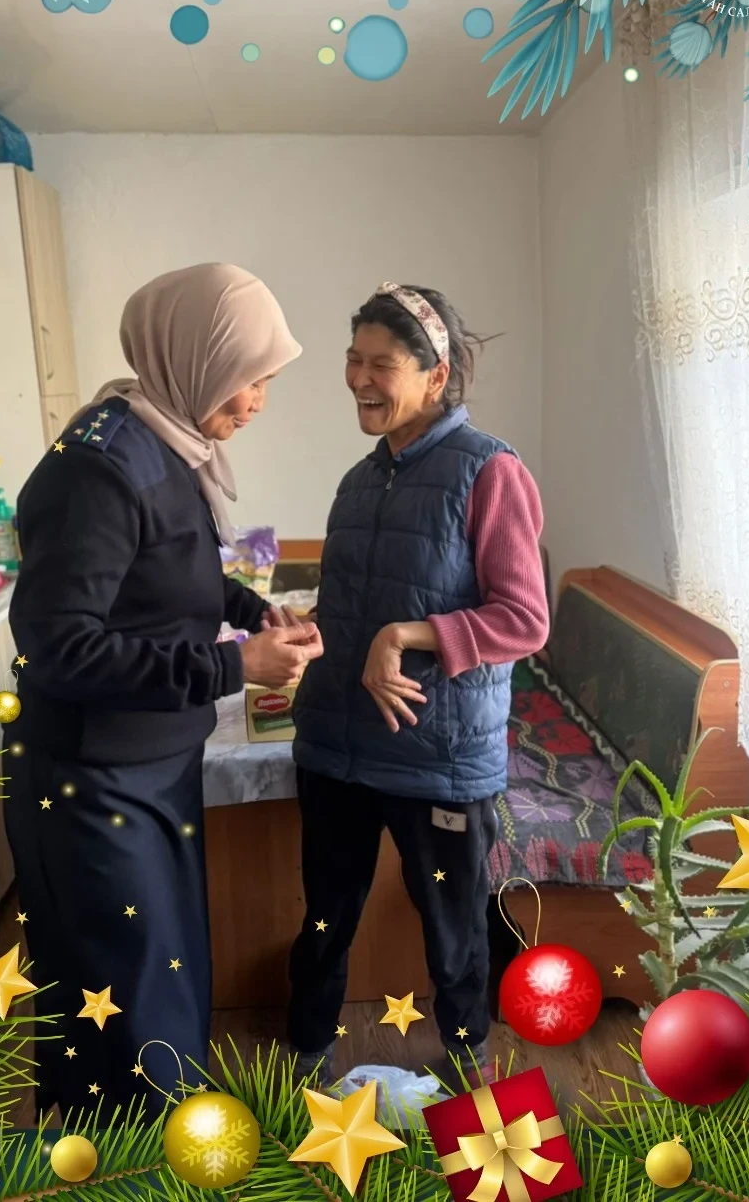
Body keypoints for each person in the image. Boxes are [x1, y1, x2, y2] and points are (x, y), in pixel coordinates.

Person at [2, 263, 321, 1121]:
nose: (257, 402)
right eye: (251, 378)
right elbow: (59, 647)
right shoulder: (97, 469)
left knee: (163, 978)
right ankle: (130, 1158)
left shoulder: (167, 442)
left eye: (267, 381)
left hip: (151, 764)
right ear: (196, 359)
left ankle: (160, 1143)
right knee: (125, 992)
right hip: (91, 778)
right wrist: (233, 669)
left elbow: (173, 572)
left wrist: (254, 612)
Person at [288, 282, 549, 1088]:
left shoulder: (490, 470)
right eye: (352, 360)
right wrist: (302, 633)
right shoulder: (357, 482)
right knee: (325, 916)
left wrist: (405, 635)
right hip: (336, 745)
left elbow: (524, 619)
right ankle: (304, 1056)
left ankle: (468, 1062)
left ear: (436, 376)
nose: (359, 379)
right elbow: (352, 607)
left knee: (453, 927)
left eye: (382, 364)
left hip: (436, 754)